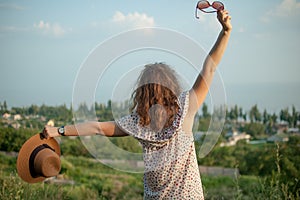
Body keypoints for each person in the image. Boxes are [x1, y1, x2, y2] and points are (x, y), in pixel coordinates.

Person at [43, 10, 232, 200]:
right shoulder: (185, 108)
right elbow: (209, 68)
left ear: (142, 94)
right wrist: (225, 32)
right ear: (171, 86)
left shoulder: (138, 123)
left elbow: (97, 128)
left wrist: (58, 131)